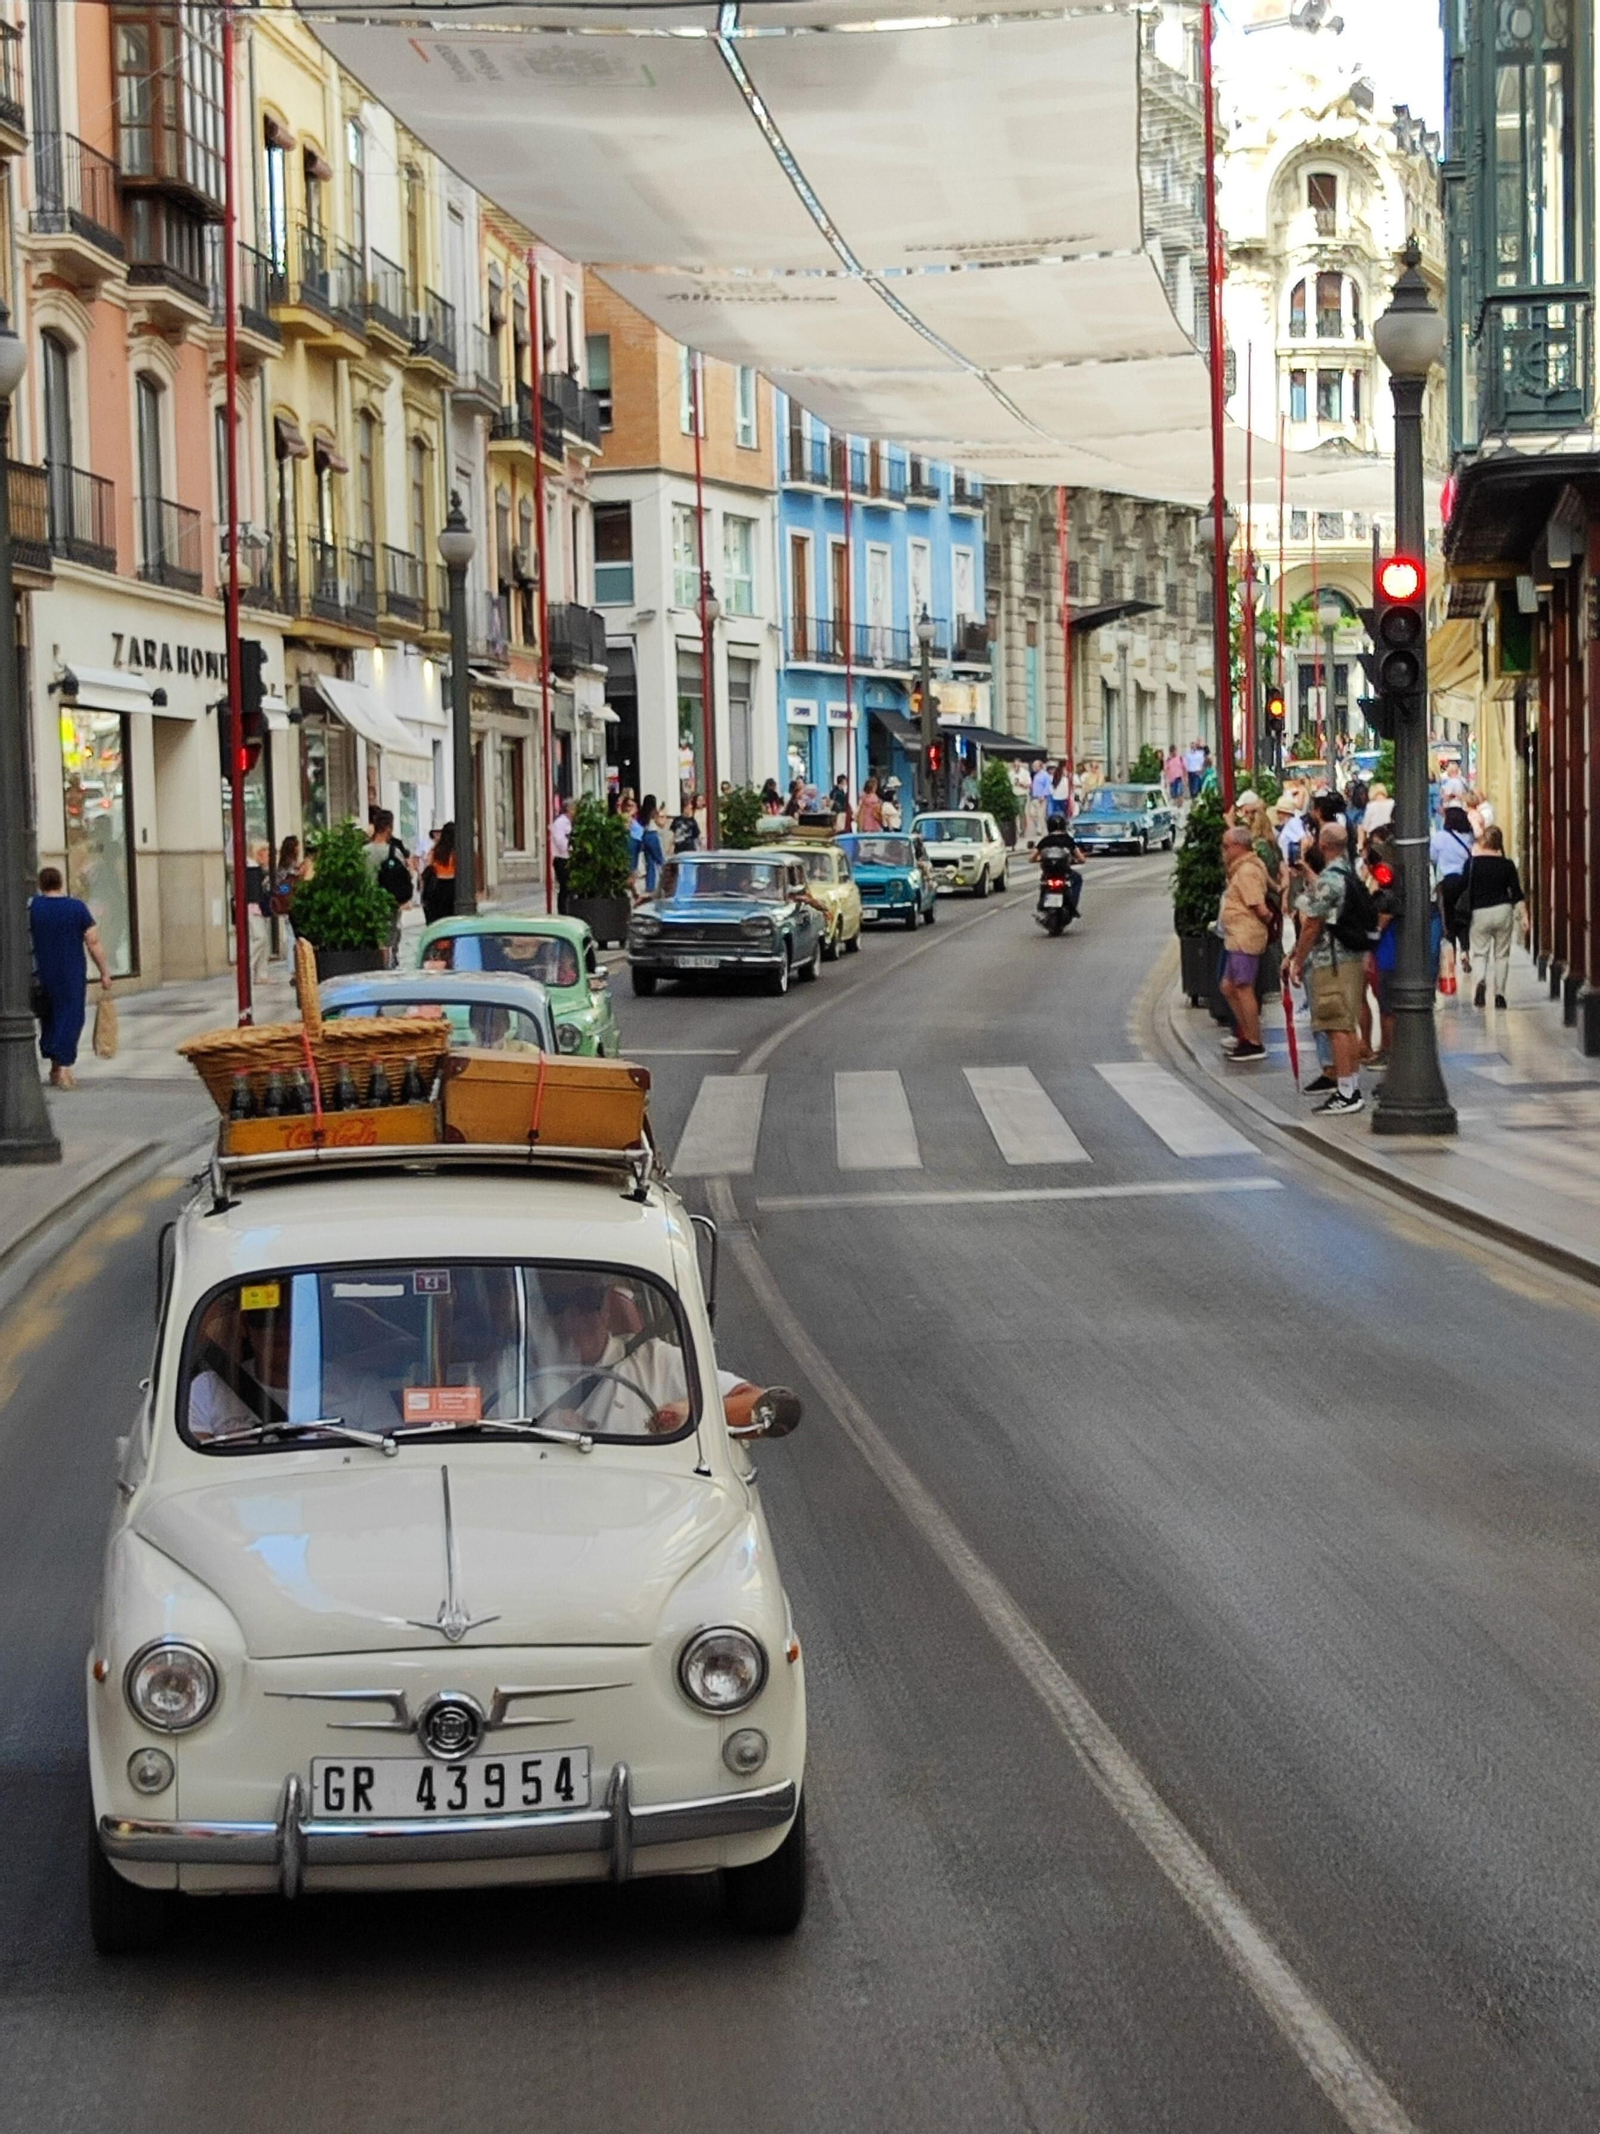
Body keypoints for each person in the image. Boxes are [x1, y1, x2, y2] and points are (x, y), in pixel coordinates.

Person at [531, 1271, 764, 1437]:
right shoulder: (510, 1369)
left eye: (587, 1301)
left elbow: (756, 1401)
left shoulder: (654, 1361)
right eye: (556, 1304)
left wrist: (691, 1412)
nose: (574, 1318)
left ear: (606, 1308)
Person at [1287, 821, 1367, 1115]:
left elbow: (1311, 924)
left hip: (1331, 961)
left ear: (1322, 846)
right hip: (1350, 958)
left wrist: (1297, 960)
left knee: (1336, 1026)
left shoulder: (1330, 880)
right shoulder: (1348, 873)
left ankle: (1347, 1092)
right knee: (1346, 1024)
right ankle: (1351, 1085)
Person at [29, 867, 111, 1090]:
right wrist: (104, 971)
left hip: (41, 974)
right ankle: (64, 1066)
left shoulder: (33, 907)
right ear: (61, 882)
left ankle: (55, 1066)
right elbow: (93, 942)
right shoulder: (76, 908)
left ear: (41, 884)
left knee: (49, 1018)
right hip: (70, 973)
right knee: (71, 1017)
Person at [1218, 826, 1273, 1063]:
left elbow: (1258, 906)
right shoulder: (1241, 869)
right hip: (1236, 935)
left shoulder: (1247, 870)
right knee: (1228, 986)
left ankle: (1254, 1041)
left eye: (1226, 846)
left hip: (1245, 935)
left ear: (1239, 847)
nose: (1224, 851)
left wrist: (1269, 920)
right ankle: (1247, 1034)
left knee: (1242, 986)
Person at [1458, 825, 1527, 1010]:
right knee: (1501, 955)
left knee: (1480, 953)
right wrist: (1524, 916)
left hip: (1479, 912)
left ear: (1483, 842)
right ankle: (1500, 995)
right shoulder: (1507, 864)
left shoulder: (1472, 864)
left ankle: (1480, 982)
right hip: (1503, 910)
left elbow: (1463, 888)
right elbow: (1517, 893)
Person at [1431, 802, 1477, 991]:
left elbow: (1432, 857)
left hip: (1447, 882)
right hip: (1466, 881)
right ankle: (1465, 949)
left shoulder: (1440, 837)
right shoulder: (1469, 837)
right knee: (1464, 916)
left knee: (1448, 919)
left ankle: (1451, 954)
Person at [1033, 811, 1083, 915]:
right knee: (1077, 879)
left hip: (1048, 873)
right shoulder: (1068, 840)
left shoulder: (1045, 840)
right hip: (1063, 872)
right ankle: (1072, 904)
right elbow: (1081, 858)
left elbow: (1032, 857)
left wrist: (1039, 860)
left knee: (1044, 882)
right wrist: (1078, 861)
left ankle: (1041, 904)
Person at [245, 843, 272, 984]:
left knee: (264, 940)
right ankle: (246, 965)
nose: (268, 855)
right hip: (254, 908)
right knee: (260, 937)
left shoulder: (259, 870)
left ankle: (261, 974)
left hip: (258, 908)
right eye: (266, 852)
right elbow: (256, 893)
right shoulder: (252, 870)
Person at [420, 821, 458, 926]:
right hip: (453, 886)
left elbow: (428, 870)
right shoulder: (457, 851)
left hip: (437, 886)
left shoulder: (435, 850)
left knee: (438, 921)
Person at [629, 795, 666, 897]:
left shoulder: (641, 813)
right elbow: (660, 823)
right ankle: (666, 883)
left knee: (649, 862)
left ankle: (650, 887)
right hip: (652, 835)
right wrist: (661, 812)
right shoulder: (653, 812)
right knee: (659, 861)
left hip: (644, 836)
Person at [549, 797, 575, 912]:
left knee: (569, 887)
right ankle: (563, 910)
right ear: (569, 809)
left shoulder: (568, 822)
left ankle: (567, 908)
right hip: (562, 858)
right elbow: (559, 840)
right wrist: (569, 849)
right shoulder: (561, 822)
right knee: (565, 886)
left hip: (567, 857)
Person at [1024, 758, 1052, 847]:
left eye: (1035, 766)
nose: (1033, 767)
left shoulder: (1045, 775)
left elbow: (1047, 786)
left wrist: (1043, 795)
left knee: (1041, 815)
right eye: (1033, 766)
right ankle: (1038, 827)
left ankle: (1043, 832)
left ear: (1040, 766)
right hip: (1034, 797)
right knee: (1032, 814)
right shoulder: (1035, 775)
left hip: (1041, 798)